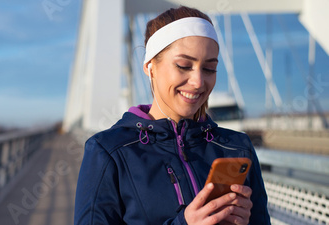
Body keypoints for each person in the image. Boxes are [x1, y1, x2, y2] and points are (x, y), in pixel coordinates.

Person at [74, 6, 271, 225]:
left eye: (209, 69)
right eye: (184, 66)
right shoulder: (109, 151)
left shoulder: (238, 147)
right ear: (150, 67)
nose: (198, 82)